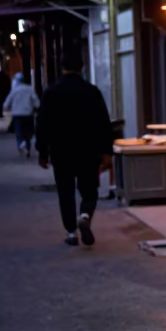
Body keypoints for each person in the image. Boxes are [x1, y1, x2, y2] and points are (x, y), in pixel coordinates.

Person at [36, 50, 113, 246]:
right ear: (82, 67)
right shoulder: (91, 91)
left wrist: (42, 152)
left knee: (65, 191)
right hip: (88, 151)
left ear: (62, 67)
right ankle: (85, 215)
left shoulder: (51, 92)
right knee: (89, 189)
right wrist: (106, 151)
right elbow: (103, 123)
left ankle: (71, 232)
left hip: (61, 151)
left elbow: (43, 124)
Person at [3, 72, 39, 158]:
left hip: (17, 114)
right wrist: (37, 107)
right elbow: (36, 101)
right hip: (28, 113)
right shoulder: (30, 89)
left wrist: (6, 108)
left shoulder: (14, 90)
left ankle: (20, 143)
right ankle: (28, 146)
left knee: (18, 131)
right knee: (28, 131)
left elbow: (7, 103)